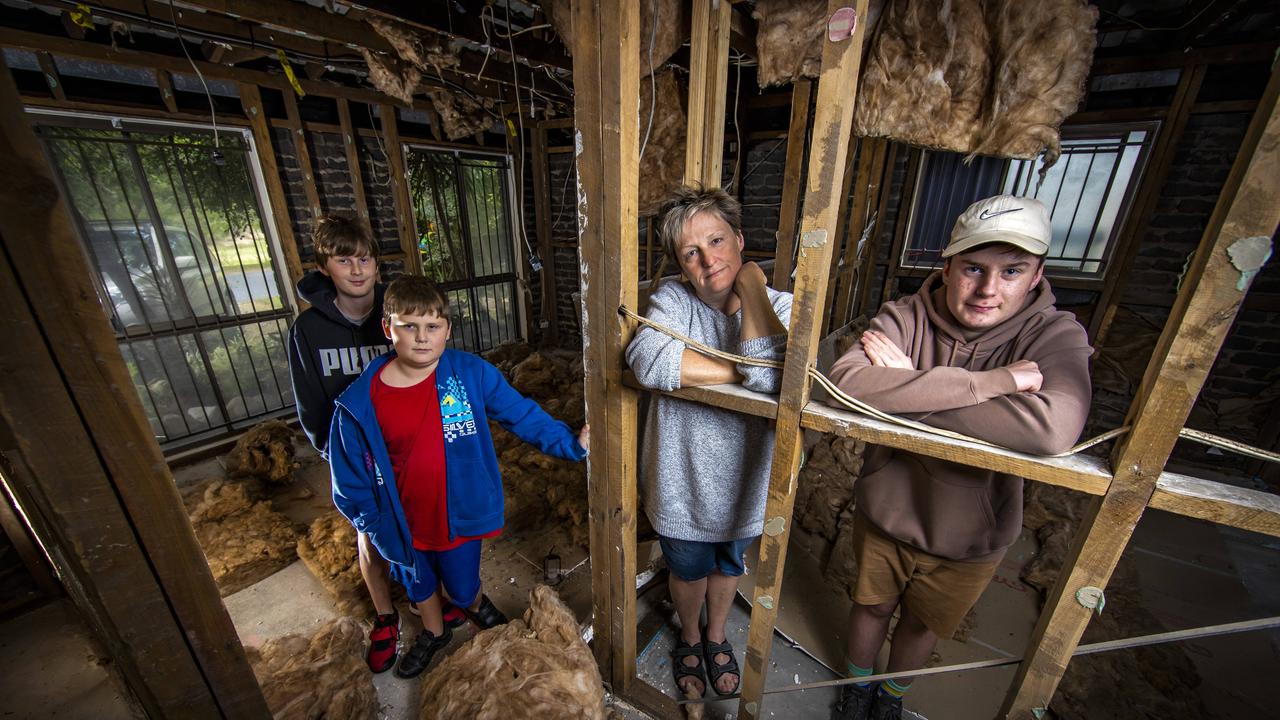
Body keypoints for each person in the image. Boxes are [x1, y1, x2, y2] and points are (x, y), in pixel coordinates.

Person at [825, 195, 1092, 720]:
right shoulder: (905, 316)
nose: (989, 289)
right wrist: (993, 386)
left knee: (923, 623)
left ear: (1036, 275)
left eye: (1011, 270)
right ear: (947, 267)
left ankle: (891, 699)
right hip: (888, 510)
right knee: (872, 605)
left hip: (973, 534)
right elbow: (846, 385)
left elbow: (1052, 428)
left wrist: (902, 392)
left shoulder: (1055, 334)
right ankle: (858, 688)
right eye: (973, 268)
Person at [328, 275, 590, 679]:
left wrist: (570, 443)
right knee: (419, 586)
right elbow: (349, 478)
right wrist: (376, 525)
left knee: (461, 584)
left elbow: (520, 413)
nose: (421, 338)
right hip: (401, 523)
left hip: (457, 515)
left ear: (447, 329)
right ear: (387, 328)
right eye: (408, 326)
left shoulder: (468, 374)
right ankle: (433, 633)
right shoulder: (360, 402)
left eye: (433, 326)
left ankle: (474, 601)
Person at [626, 185, 792, 698]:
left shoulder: (780, 304)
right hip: (682, 479)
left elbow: (775, 378)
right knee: (688, 567)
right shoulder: (674, 300)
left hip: (745, 479)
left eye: (717, 241)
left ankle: (717, 635)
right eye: (690, 252)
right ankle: (691, 636)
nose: (708, 260)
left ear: (740, 241)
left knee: (728, 565)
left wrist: (754, 289)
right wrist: (747, 368)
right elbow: (649, 361)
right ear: (680, 263)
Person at [288, 216, 463, 673]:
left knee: (420, 530)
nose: (357, 269)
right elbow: (309, 399)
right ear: (325, 267)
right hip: (358, 453)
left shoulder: (398, 312)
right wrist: (337, 456)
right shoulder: (309, 331)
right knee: (372, 536)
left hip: (405, 444)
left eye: (364, 258)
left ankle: (433, 602)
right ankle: (386, 616)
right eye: (344, 260)